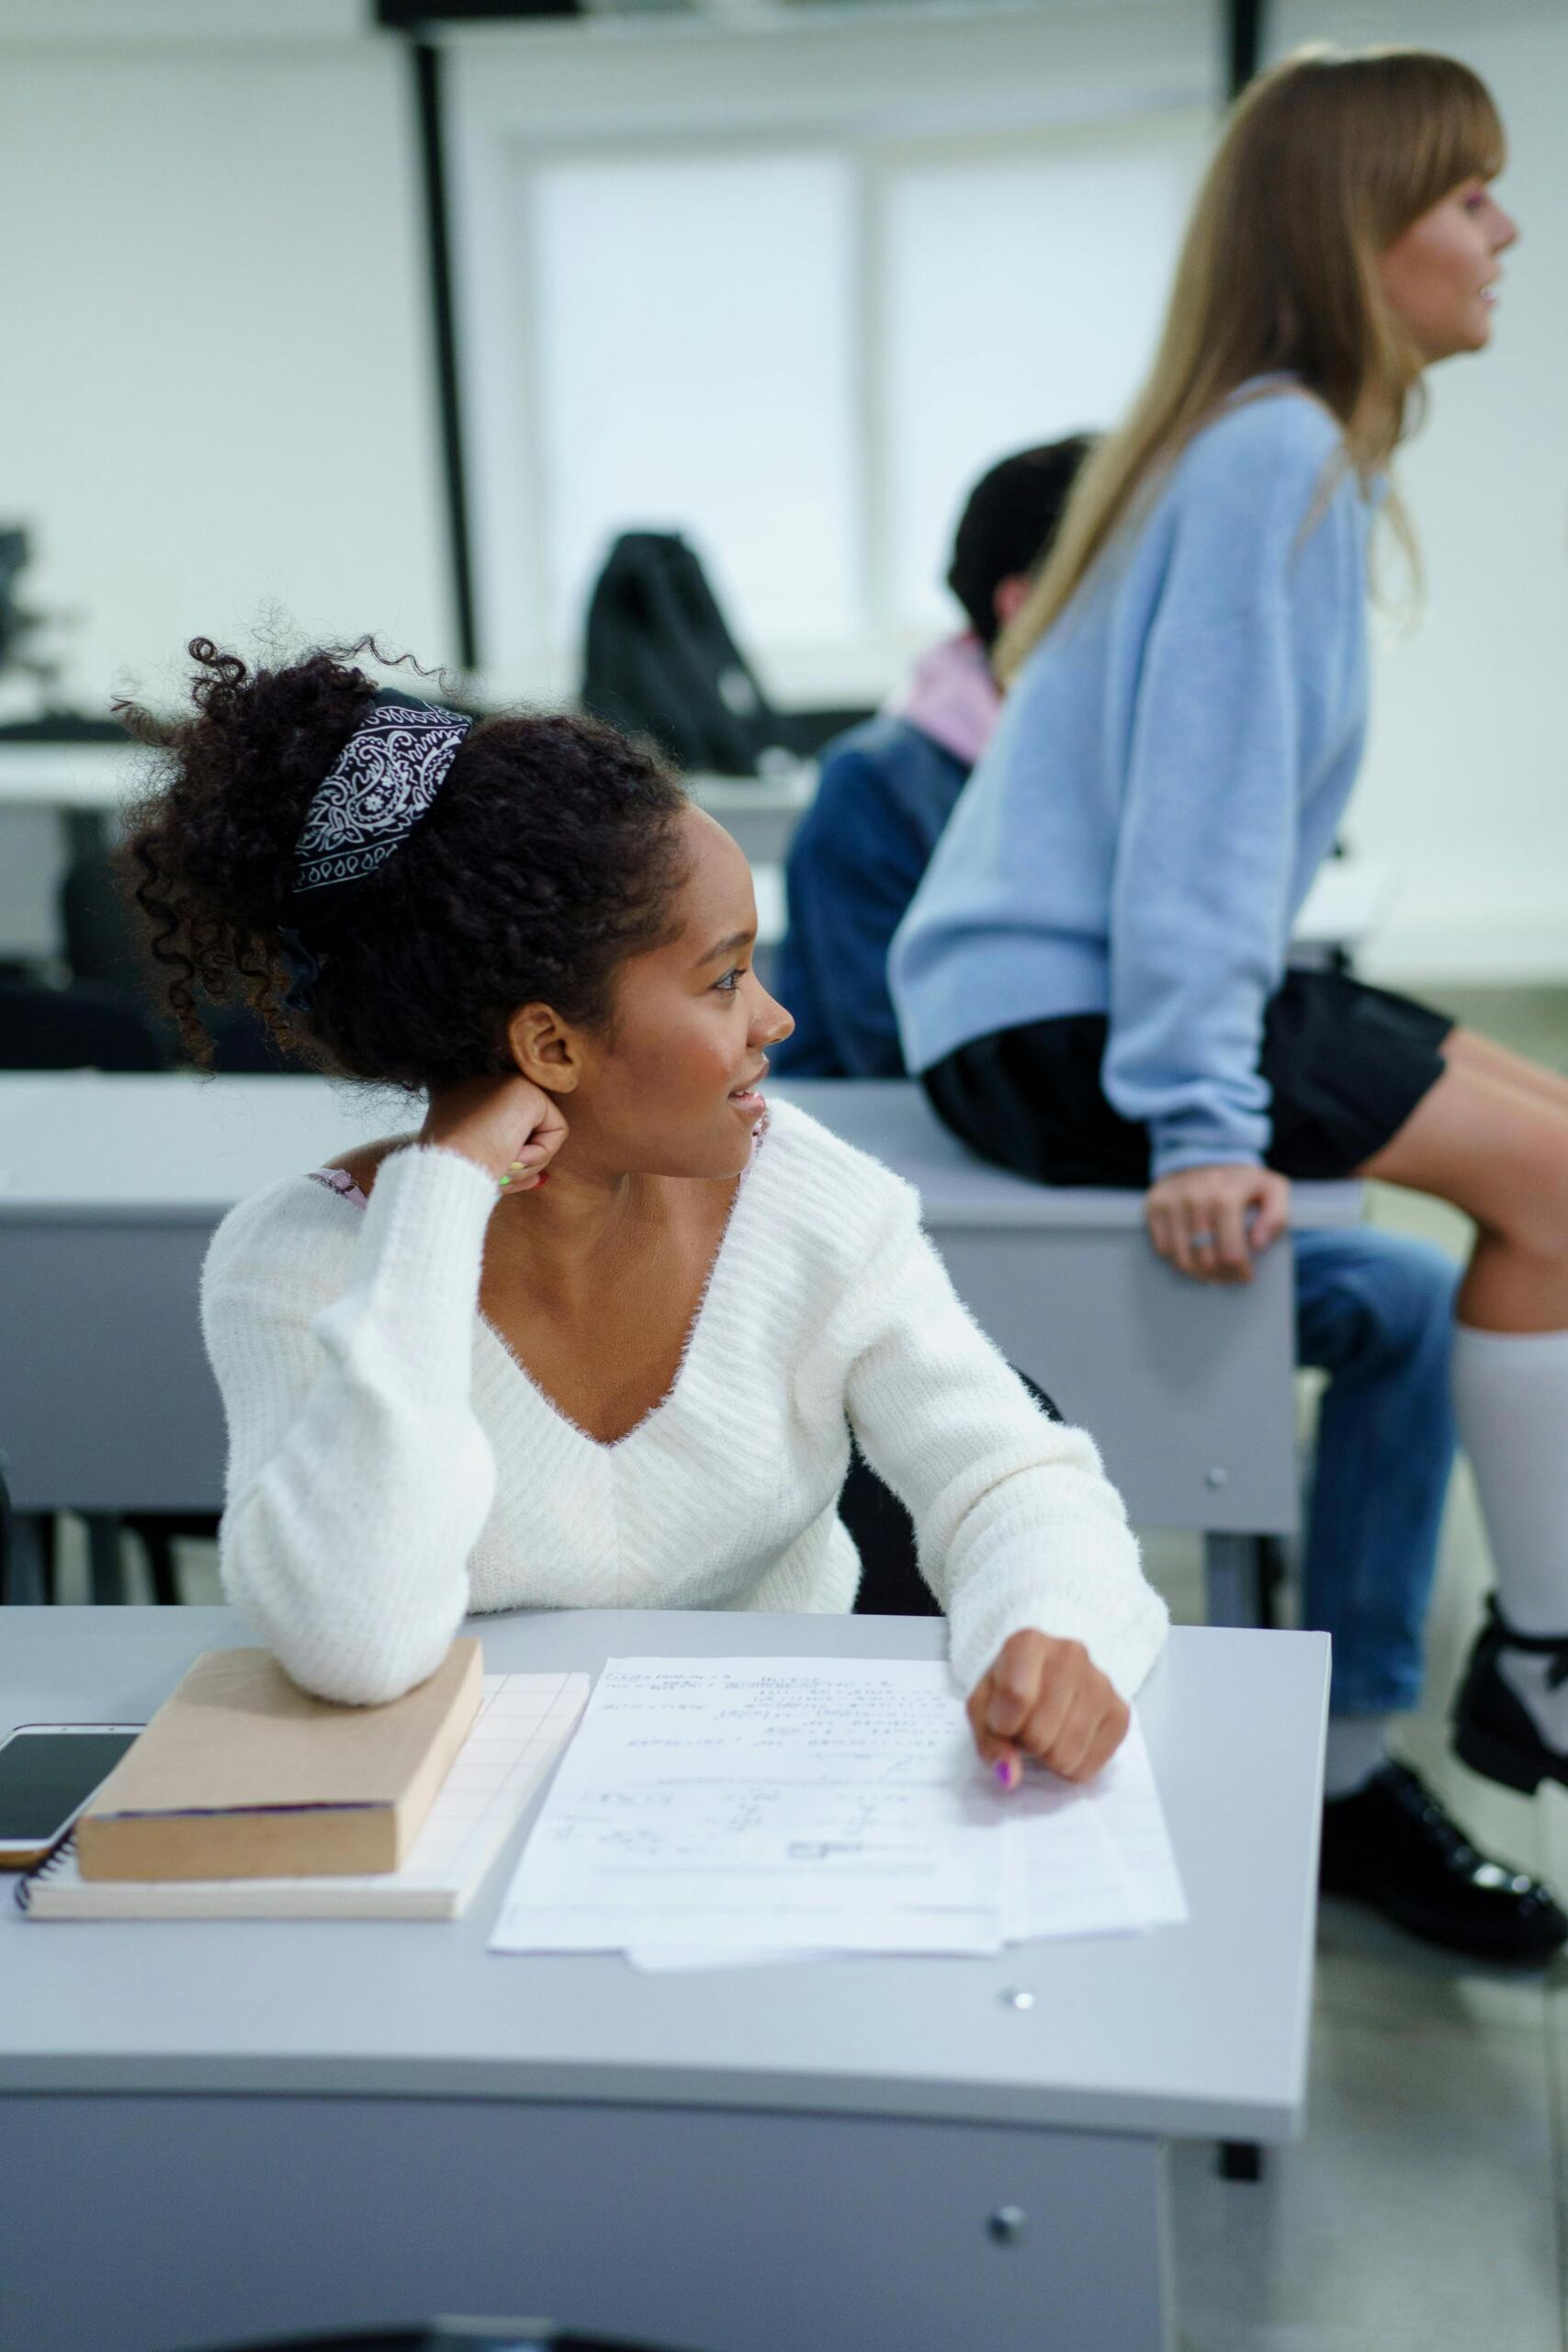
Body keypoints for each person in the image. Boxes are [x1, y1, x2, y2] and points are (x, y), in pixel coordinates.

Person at [890, 46, 1568, 1962]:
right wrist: (1201, 1118)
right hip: (1061, 1028)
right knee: (1555, 1191)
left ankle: (1515, 1660)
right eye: (1466, 198)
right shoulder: (1269, 446)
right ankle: (1537, 1658)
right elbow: (1193, 820)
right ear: (1362, 233)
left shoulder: (1277, 443)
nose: (1502, 230)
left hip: (1073, 1002)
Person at [118, 639, 1170, 1788]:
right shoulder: (300, 1264)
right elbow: (354, 1641)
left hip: (789, 1801)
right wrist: (439, 1197)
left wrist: (1055, 1626)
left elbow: (1010, 1476)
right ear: (550, 1045)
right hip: (476, 1844)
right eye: (724, 980)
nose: (776, 1020)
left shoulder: (803, 1193)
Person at [774, 437, 1092, 1079]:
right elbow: (893, 1046)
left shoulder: (1093, 766)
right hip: (889, 1142)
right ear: (1024, 605)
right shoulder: (876, 784)